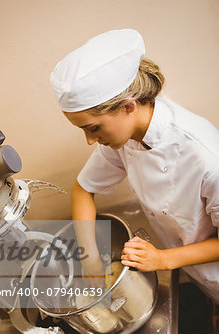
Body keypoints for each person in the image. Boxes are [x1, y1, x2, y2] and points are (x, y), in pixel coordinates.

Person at [50, 28, 219, 302]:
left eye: (94, 128)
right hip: (195, 271)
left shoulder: (206, 157)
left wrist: (162, 259)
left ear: (128, 107)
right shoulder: (129, 136)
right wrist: (90, 256)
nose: (90, 141)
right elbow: (83, 189)